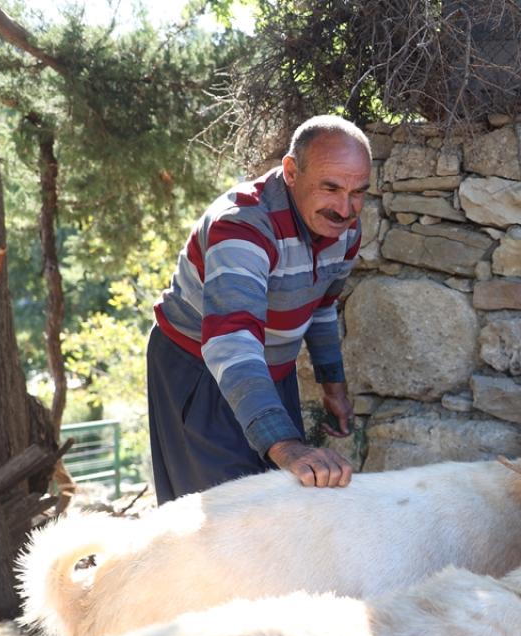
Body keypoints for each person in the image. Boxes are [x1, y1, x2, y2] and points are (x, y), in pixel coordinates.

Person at [146, 115, 372, 503]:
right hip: (201, 371)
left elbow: (320, 306)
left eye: (358, 192)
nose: (345, 208)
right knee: (223, 513)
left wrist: (333, 387)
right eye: (330, 187)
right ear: (291, 172)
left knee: (279, 501)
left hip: (270, 372)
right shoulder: (242, 226)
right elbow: (231, 343)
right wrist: (286, 446)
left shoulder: (344, 229)